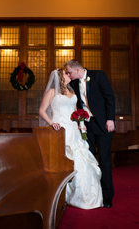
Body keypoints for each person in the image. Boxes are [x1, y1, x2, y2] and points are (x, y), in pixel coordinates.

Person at [38, 69, 102, 209]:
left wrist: (81, 125)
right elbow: (42, 110)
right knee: (64, 160)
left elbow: (75, 113)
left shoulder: (72, 92)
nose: (69, 75)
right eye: (66, 74)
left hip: (73, 129)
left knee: (81, 158)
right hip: (59, 129)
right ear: (60, 77)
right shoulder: (52, 92)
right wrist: (51, 123)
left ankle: (85, 195)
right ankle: (63, 195)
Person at [64, 60, 116, 208]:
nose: (69, 75)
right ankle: (94, 194)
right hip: (87, 126)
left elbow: (109, 98)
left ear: (77, 70)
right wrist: (80, 124)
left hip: (104, 124)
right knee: (90, 159)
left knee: (105, 160)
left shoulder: (99, 76)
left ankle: (107, 197)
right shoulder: (73, 83)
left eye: (69, 72)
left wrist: (110, 119)